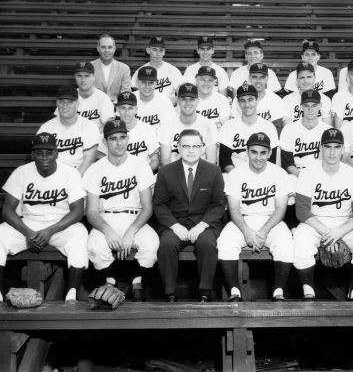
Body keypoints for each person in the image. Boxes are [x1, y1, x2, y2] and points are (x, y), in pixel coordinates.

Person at [0, 133, 88, 302]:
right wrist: (26, 231)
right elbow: (7, 210)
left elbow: (77, 211)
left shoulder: (70, 173)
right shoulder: (22, 172)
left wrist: (50, 231)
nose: (44, 157)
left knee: (79, 234)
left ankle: (71, 296)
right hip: (28, 224)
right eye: (39, 152)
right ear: (33, 155)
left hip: (60, 225)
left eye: (49, 152)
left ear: (56, 153)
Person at [293, 128, 353, 301]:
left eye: (336, 147)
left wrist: (339, 232)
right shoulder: (308, 173)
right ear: (320, 148)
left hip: (345, 223)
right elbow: (301, 210)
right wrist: (326, 232)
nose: (332, 152)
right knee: (300, 239)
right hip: (315, 223)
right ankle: (308, 291)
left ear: (343, 149)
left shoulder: (352, 174)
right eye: (328, 147)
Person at [84, 119, 159, 302]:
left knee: (152, 244)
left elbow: (148, 207)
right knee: (94, 247)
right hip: (105, 218)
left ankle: (136, 280)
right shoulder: (95, 169)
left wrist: (130, 232)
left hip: (134, 217)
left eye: (122, 137)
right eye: (113, 138)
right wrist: (108, 231)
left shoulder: (140, 165)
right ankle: (111, 281)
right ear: (105, 141)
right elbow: (91, 211)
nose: (119, 142)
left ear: (128, 138)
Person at [217, 132, 294, 301]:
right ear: (247, 152)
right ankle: (235, 291)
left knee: (286, 243)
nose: (258, 157)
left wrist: (263, 232)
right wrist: (247, 231)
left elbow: (281, 209)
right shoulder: (236, 174)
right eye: (254, 152)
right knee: (225, 242)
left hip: (271, 220)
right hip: (243, 219)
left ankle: (278, 291)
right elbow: (234, 209)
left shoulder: (279, 173)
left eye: (263, 152)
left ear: (269, 153)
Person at [153, 129, 226, 302]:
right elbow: (159, 204)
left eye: (196, 146)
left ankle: (205, 292)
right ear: (177, 147)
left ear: (202, 148)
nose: (191, 150)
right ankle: (169, 292)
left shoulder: (214, 171)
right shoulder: (166, 172)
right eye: (186, 146)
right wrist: (174, 225)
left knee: (207, 244)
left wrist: (202, 225)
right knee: (166, 245)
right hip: (175, 223)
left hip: (204, 223)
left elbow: (218, 204)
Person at [38, 86, 100, 176]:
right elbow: (40, 159)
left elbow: (89, 160)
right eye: (61, 102)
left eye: (69, 102)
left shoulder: (89, 127)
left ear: (78, 104)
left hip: (80, 176)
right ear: (57, 103)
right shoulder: (46, 128)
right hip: (53, 177)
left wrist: (73, 181)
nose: (65, 106)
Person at [219, 85, 279, 174]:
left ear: (257, 101)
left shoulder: (269, 127)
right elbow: (224, 161)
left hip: (262, 175)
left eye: (250, 100)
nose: (247, 105)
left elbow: (272, 159)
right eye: (242, 101)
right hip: (234, 175)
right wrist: (240, 176)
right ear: (238, 103)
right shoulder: (228, 126)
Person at [97, 92, 159, 173]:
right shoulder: (110, 130)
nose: (127, 112)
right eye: (123, 108)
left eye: (130, 108)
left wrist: (142, 175)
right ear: (117, 109)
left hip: (142, 175)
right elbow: (100, 158)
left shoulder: (148, 130)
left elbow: (155, 160)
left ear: (136, 109)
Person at [159, 83, 218, 165]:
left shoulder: (209, 125)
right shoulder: (167, 125)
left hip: (202, 172)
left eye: (192, 99)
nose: (188, 103)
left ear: (197, 101)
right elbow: (165, 161)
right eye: (184, 99)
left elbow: (211, 161)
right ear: (178, 101)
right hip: (174, 172)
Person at [280, 90, 331, 177]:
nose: (310, 110)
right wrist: (303, 178)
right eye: (306, 106)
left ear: (320, 106)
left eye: (314, 105)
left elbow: (330, 161)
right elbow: (287, 164)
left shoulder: (327, 130)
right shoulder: (288, 130)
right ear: (301, 107)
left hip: (321, 175)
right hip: (297, 175)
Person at [232, 63, 287, 135]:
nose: (258, 80)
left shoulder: (275, 100)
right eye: (254, 77)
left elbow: (277, 129)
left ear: (267, 78)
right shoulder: (239, 99)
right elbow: (235, 125)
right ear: (249, 78)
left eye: (262, 77)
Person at [131, 37, 184, 104]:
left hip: (167, 107)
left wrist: (171, 104)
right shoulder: (140, 71)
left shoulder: (173, 70)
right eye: (154, 49)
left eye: (161, 50)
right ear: (148, 50)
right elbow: (135, 94)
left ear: (164, 52)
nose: (158, 53)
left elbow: (182, 92)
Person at [71, 61, 115, 131]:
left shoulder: (103, 98)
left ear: (93, 77)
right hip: (73, 138)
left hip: (96, 139)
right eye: (79, 76)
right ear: (75, 77)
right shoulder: (69, 96)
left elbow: (109, 126)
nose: (83, 80)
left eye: (86, 76)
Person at [133, 66, 178, 133]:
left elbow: (170, 129)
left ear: (156, 83)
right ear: (137, 82)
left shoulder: (164, 101)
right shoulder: (130, 99)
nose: (147, 86)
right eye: (143, 82)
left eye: (151, 83)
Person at [91, 34, 131, 103]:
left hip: (117, 107)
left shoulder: (124, 68)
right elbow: (88, 91)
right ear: (98, 48)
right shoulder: (90, 67)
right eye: (103, 47)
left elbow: (126, 93)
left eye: (110, 47)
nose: (106, 50)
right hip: (95, 107)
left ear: (114, 49)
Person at [192, 66, 231, 130]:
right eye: (202, 79)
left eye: (210, 80)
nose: (206, 83)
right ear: (196, 80)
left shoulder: (222, 100)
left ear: (215, 82)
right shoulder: (188, 99)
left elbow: (226, 128)